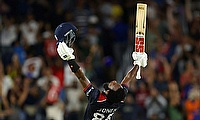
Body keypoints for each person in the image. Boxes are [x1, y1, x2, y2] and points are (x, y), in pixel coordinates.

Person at [54, 22, 148, 120]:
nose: (115, 82)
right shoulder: (119, 97)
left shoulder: (97, 99)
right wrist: (138, 63)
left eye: (113, 85)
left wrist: (69, 59)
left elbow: (81, 76)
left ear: (108, 92)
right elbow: (128, 78)